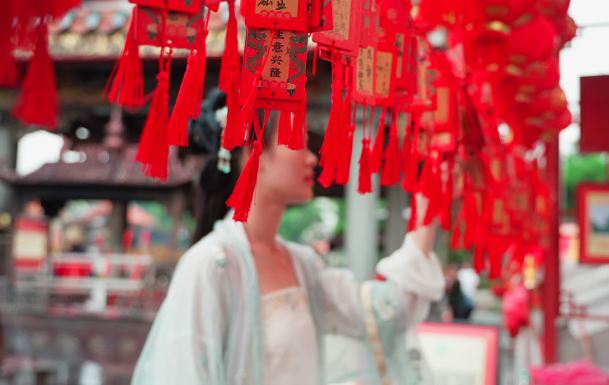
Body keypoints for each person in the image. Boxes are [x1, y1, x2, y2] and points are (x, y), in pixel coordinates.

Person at [131, 102, 445, 385]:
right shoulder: (211, 265)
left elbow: (385, 312)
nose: (312, 158)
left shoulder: (302, 264)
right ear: (255, 154)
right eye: (297, 140)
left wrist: (429, 197)